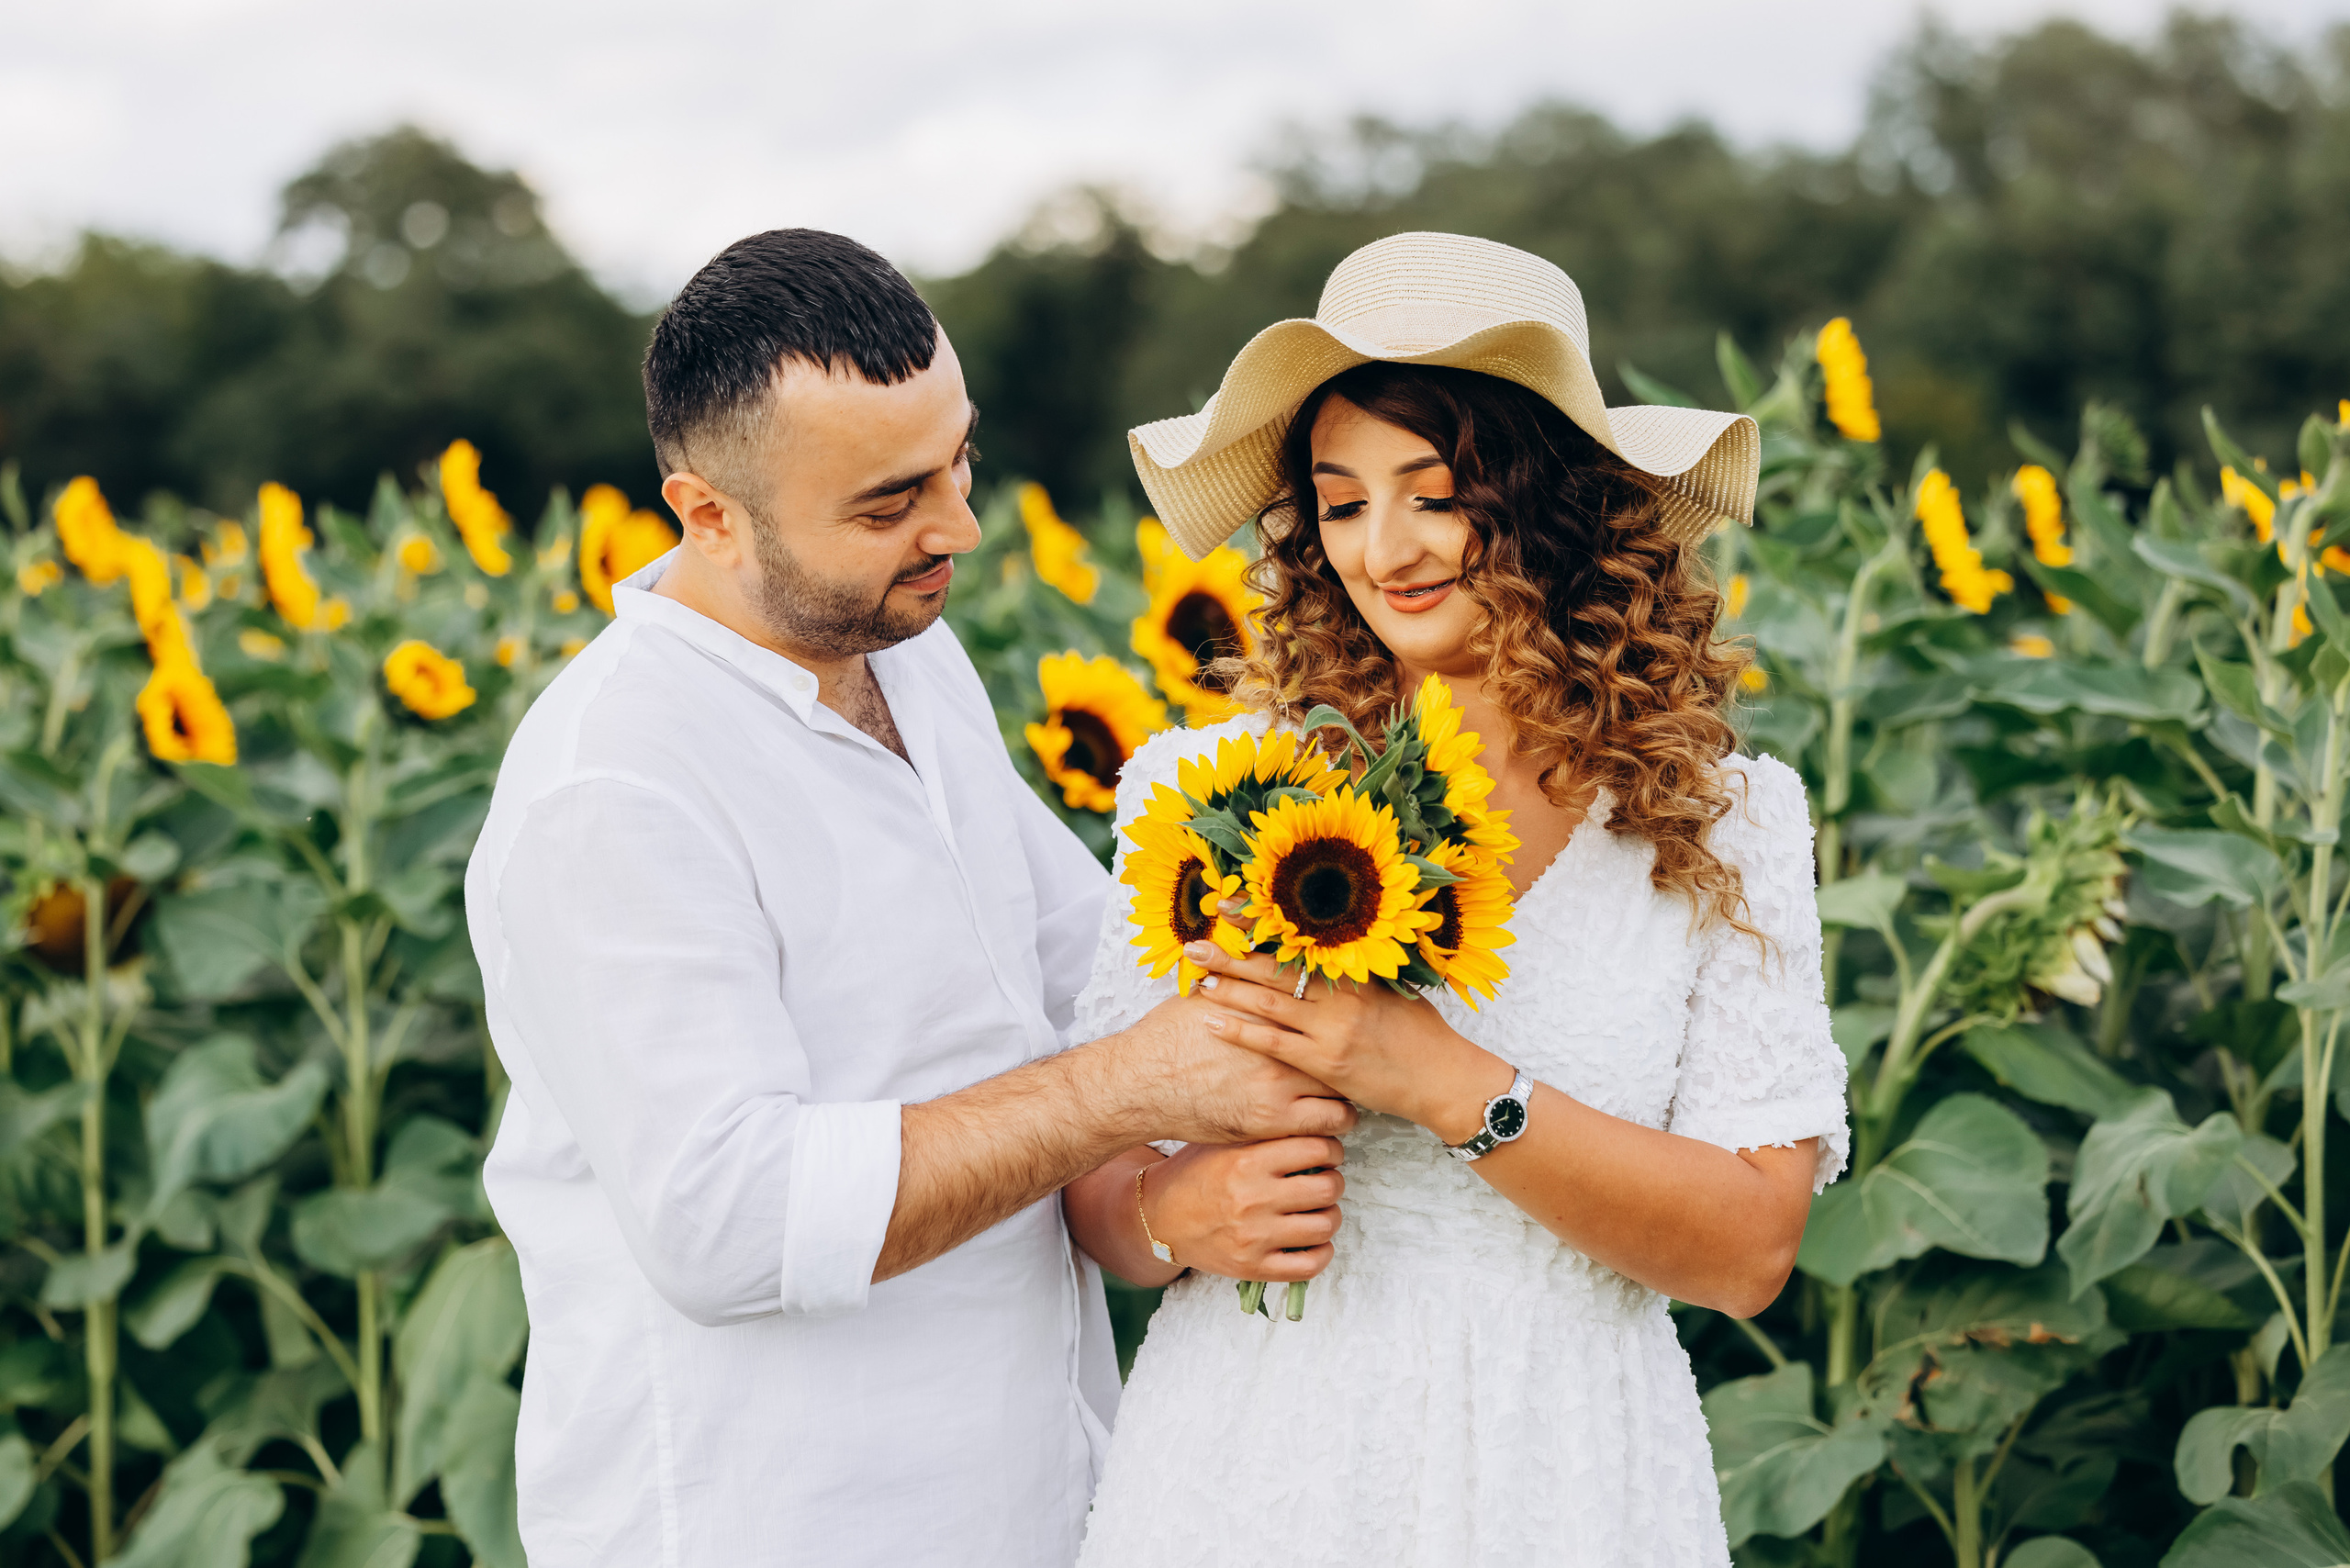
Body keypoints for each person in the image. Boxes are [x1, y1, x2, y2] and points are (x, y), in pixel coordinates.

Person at [463, 229, 1357, 1568]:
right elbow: (726, 1224)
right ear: (709, 514)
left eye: (959, 462)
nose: (958, 529)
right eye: (889, 505)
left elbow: (1084, 960)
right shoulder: (615, 783)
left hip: (1031, 1492)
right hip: (779, 1520)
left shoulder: (908, 657)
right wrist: (1130, 1089)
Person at [1069, 232, 1848, 1566]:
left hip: (1566, 1472)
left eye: (1433, 493)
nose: (1385, 550)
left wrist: (1443, 1080)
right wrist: (1172, 1215)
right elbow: (1097, 1168)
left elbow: (1749, 1251)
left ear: (1560, 501)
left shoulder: (1720, 824)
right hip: (1259, 1464)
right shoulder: (1216, 794)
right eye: (1341, 505)